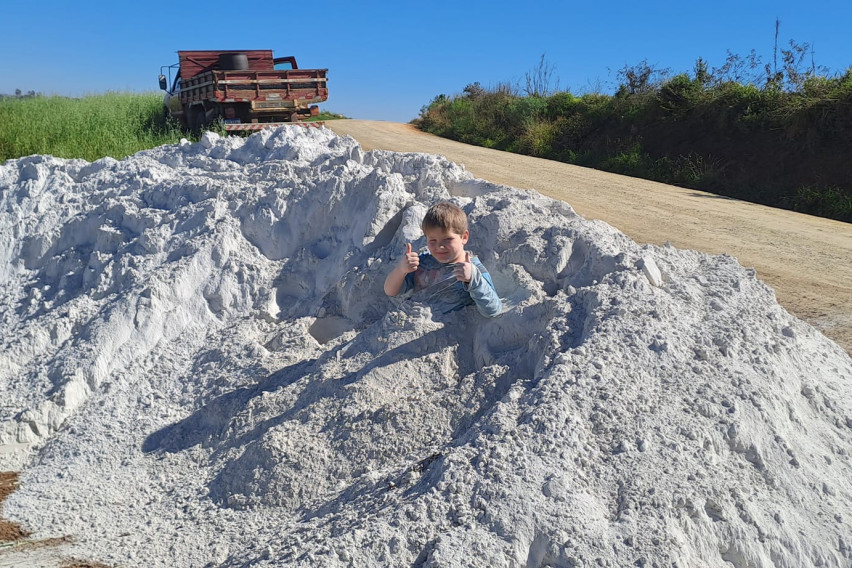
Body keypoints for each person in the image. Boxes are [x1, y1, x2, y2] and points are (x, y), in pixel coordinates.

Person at [384, 202, 502, 317]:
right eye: (432, 241)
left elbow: (493, 310)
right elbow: (391, 291)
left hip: (445, 331)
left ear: (464, 237)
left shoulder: (473, 269)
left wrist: (473, 279)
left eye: (447, 239)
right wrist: (401, 270)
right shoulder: (423, 263)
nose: (439, 246)